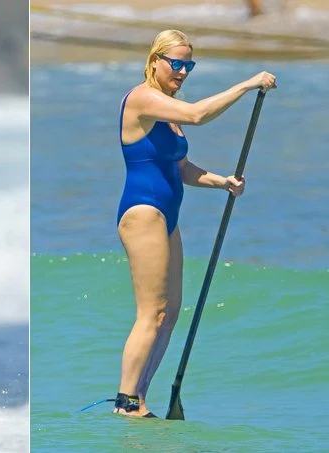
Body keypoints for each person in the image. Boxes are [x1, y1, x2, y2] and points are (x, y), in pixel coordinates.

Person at [114, 29, 276, 417]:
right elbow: (199, 114)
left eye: (189, 65)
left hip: (168, 212)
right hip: (143, 212)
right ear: (155, 61)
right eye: (177, 63)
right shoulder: (142, 98)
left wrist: (221, 182)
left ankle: (142, 397)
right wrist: (248, 83)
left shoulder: (167, 109)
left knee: (170, 312)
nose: (183, 71)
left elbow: (180, 167)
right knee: (150, 312)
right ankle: (126, 401)